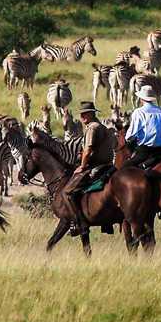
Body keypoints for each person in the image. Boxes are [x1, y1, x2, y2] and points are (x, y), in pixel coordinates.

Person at [62, 101, 114, 236]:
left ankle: (78, 223)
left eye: (85, 113)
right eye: (81, 114)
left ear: (92, 114)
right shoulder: (102, 126)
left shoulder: (92, 128)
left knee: (68, 192)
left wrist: (82, 166)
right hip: (109, 165)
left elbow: (88, 150)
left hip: (96, 166)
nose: (82, 116)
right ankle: (107, 222)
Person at [122, 85, 161, 170]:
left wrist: (127, 138)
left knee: (124, 168)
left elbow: (130, 134)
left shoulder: (139, 112)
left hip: (145, 152)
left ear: (141, 99)